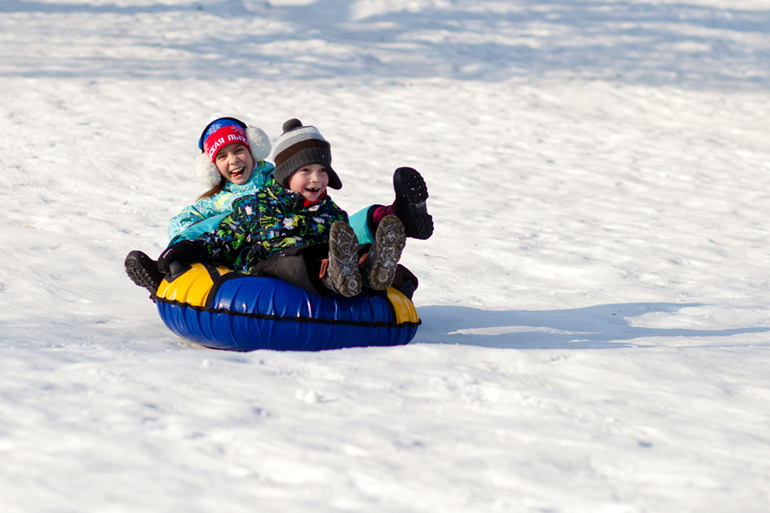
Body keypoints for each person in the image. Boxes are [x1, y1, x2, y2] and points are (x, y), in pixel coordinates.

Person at [125, 116, 432, 296]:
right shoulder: (222, 204)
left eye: (238, 150)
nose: (233, 160)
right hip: (267, 254)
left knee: (346, 226)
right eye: (222, 156)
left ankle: (390, 232)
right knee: (293, 258)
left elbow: (304, 169)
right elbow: (195, 230)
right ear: (211, 167)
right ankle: (163, 277)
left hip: (314, 234)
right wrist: (184, 249)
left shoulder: (279, 176)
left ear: (253, 149)